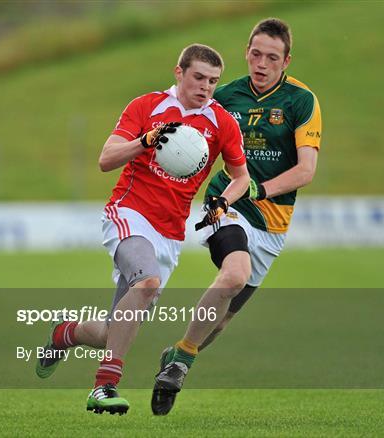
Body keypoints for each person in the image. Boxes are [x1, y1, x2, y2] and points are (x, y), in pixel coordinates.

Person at [35, 44, 249, 415]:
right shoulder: (146, 106)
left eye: (213, 81)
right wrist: (144, 141)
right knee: (146, 283)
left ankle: (63, 333)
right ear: (179, 73)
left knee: (109, 332)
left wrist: (223, 202)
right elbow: (106, 160)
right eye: (198, 77)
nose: (205, 87)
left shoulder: (221, 121)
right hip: (129, 214)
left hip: (170, 234)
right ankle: (104, 387)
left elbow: (241, 176)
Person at [152, 18, 321, 415]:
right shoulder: (225, 96)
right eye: (256, 54)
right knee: (233, 275)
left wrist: (261, 189)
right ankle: (179, 366)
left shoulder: (302, 101)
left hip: (272, 222)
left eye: (272, 58)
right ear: (247, 52)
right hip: (226, 205)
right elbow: (181, 119)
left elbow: (306, 170)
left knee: (221, 321)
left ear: (286, 61)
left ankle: (179, 355)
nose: (261, 63)